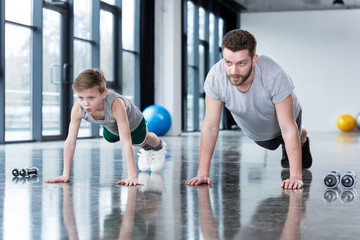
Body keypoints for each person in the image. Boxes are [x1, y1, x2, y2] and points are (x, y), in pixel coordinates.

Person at [185, 29, 312, 189]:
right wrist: (202, 173)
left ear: (254, 59)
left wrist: (295, 177)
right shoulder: (216, 77)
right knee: (271, 144)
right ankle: (297, 135)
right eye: (228, 62)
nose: (233, 71)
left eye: (241, 63)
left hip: (286, 121)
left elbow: (287, 128)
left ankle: (303, 137)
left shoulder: (274, 74)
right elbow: (210, 127)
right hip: (258, 132)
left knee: (291, 152)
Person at [45, 69, 167, 186]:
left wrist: (132, 176)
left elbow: (125, 141)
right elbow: (70, 141)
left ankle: (159, 146)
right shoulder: (78, 109)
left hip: (134, 125)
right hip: (111, 128)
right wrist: (65, 174)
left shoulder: (116, 104)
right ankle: (146, 149)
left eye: (91, 98)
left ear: (104, 94)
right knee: (109, 137)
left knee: (139, 141)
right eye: (81, 97)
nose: (85, 103)